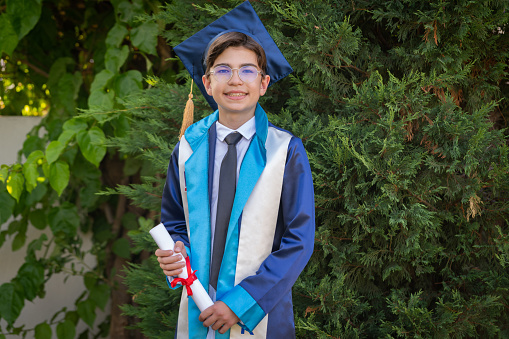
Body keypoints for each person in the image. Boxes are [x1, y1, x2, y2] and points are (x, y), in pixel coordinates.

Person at [155, 2, 315, 338]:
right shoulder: (187, 149)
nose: (235, 80)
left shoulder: (284, 151)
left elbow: (299, 241)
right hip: (199, 308)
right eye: (223, 70)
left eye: (247, 70)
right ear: (207, 83)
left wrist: (240, 304)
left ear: (264, 83)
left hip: (258, 315)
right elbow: (174, 223)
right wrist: (176, 253)